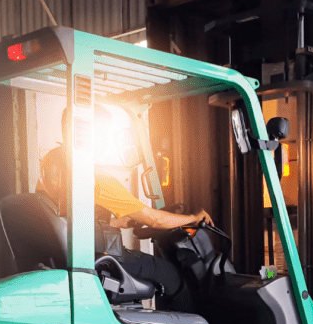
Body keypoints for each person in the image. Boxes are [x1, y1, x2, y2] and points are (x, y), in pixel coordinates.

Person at [38, 105, 211, 312]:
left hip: (73, 255)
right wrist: (193, 218)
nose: (104, 140)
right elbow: (155, 220)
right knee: (171, 276)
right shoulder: (94, 177)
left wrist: (127, 221)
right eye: (101, 132)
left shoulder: (52, 162)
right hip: (99, 261)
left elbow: (76, 219)